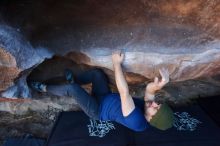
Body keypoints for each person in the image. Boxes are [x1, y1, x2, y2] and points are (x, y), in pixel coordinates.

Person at [29, 51, 174, 131]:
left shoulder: (137, 121)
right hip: (104, 96)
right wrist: (159, 85)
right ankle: (75, 79)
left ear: (151, 119)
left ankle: (44, 87)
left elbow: (124, 93)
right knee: (97, 74)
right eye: (158, 105)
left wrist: (116, 63)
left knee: (72, 90)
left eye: (155, 109)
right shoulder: (148, 109)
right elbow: (149, 90)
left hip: (97, 109)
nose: (154, 104)